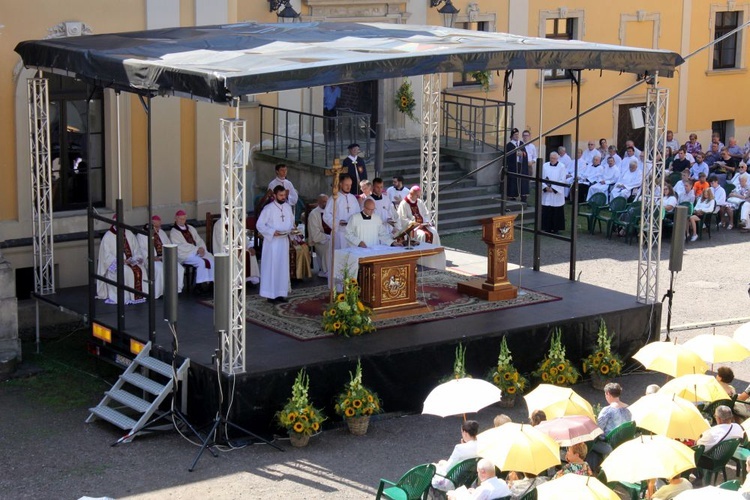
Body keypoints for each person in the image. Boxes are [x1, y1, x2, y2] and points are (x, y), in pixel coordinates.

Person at [96, 216, 148, 304]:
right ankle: (129, 297)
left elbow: (136, 248)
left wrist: (136, 258)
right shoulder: (108, 236)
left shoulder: (129, 233)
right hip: (118, 264)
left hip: (130, 261)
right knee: (127, 271)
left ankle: (142, 295)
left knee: (141, 269)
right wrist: (122, 261)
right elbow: (106, 256)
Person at [256, 185, 295, 304]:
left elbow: (291, 221)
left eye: (284, 195)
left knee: (282, 267)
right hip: (272, 243)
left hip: (283, 240)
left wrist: (290, 230)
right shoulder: (268, 209)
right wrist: (272, 232)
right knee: (272, 267)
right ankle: (270, 294)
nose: (283, 198)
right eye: (281, 195)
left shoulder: (288, 207)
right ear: (274, 195)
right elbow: (260, 225)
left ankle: (281, 293)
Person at [136, 215, 183, 298]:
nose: (158, 229)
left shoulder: (161, 232)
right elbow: (141, 249)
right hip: (152, 259)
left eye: (159, 226)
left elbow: (168, 243)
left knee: (179, 268)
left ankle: (175, 290)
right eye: (156, 226)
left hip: (164, 257)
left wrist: (168, 255)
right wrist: (151, 256)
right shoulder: (142, 234)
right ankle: (160, 292)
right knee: (160, 269)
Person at [170, 209, 215, 289]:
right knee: (201, 262)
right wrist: (196, 250)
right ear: (176, 218)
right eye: (180, 219)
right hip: (185, 254)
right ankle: (199, 286)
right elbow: (180, 246)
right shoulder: (174, 232)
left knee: (211, 258)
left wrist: (201, 248)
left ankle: (211, 283)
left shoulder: (190, 228)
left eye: (184, 219)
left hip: (197, 251)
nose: (182, 220)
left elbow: (199, 239)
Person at [211, 214, 261, 285]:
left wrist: (249, 246)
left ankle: (249, 279)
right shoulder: (219, 224)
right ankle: (236, 281)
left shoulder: (236, 222)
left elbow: (243, 236)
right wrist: (232, 249)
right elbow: (220, 242)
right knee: (236, 254)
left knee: (250, 253)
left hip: (238, 247)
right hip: (225, 249)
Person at [432, 420, 480, 492]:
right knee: (442, 462)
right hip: (470, 480)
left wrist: (438, 466)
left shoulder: (459, 448)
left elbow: (448, 468)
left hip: (455, 481)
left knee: (434, 467)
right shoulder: (481, 445)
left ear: (465, 433)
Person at [447, 458, 511, 500]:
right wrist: (475, 492)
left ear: (482, 472)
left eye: (478, 472)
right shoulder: (503, 483)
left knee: (451, 495)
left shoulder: (484, 489)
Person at [540, 152, 567, 234]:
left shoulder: (562, 167)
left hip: (556, 193)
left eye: (554, 158)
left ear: (557, 158)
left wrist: (554, 189)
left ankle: (556, 229)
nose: (552, 160)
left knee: (556, 210)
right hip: (547, 192)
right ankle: (546, 228)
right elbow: (541, 177)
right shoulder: (545, 165)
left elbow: (562, 180)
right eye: (551, 158)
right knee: (547, 209)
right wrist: (545, 187)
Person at [307, 194, 331, 278]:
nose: (326, 204)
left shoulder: (331, 212)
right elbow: (315, 234)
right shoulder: (314, 214)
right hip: (320, 241)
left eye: (327, 202)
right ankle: (325, 270)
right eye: (324, 202)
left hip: (332, 238)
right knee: (329, 247)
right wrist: (328, 237)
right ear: (318, 202)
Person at [505, 128, 528, 202]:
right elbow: (508, 157)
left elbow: (525, 153)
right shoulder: (509, 145)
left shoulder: (521, 143)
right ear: (512, 136)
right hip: (513, 166)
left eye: (517, 134)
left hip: (521, 165)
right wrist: (515, 154)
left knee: (522, 180)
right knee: (513, 181)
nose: (517, 136)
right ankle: (513, 196)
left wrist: (522, 154)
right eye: (515, 134)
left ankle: (523, 195)